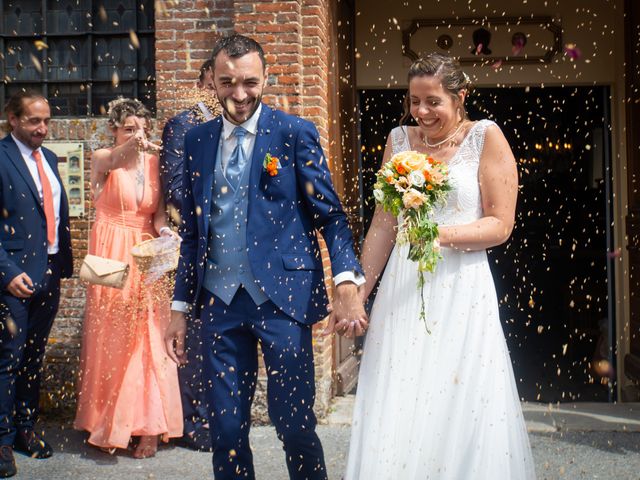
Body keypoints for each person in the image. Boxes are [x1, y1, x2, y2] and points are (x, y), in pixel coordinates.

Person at [164, 33, 367, 480]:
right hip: (218, 303)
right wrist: (179, 308)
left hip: (283, 303)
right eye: (228, 82)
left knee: (294, 426)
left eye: (250, 82)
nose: (239, 94)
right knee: (226, 431)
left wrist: (347, 281)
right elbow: (193, 233)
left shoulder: (294, 134)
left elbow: (330, 217)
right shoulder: (197, 140)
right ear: (211, 82)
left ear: (266, 78)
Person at [344, 53, 536, 479]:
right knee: (401, 391)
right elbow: (383, 224)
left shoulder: (486, 137)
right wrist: (360, 289)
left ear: (460, 97)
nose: (422, 112)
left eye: (433, 102)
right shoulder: (398, 140)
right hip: (403, 285)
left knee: (461, 392)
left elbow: (500, 224)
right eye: (414, 101)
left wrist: (438, 236)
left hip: (462, 287)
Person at [74, 98, 183, 459]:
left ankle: (149, 427)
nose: (137, 134)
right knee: (111, 339)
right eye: (128, 128)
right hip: (110, 256)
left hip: (144, 256)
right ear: (115, 131)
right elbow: (117, 159)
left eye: (141, 127)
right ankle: (107, 422)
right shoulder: (104, 159)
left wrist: (167, 234)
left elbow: (157, 218)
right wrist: (131, 145)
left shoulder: (155, 165)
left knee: (148, 338)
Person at [0, 91, 73, 478]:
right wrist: (7, 273)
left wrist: (59, 266)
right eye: (32, 121)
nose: (41, 128)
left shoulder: (47, 158)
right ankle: (2, 442)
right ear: (12, 119)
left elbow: (54, 215)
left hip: (48, 274)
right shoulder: (0, 157)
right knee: (7, 360)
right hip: (12, 279)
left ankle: (26, 429)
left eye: (45, 121)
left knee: (32, 357)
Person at [160, 60, 220, 451]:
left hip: (238, 253)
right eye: (218, 80)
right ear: (203, 82)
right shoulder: (184, 125)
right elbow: (177, 188)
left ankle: (221, 416)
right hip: (198, 248)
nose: (225, 89)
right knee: (196, 339)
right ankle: (194, 423)